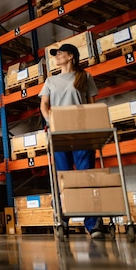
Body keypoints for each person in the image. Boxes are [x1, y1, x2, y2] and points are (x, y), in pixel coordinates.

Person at [39, 43, 104, 240]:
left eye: (60, 53)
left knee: (86, 177)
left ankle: (92, 224)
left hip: (82, 133)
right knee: (62, 179)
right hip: (59, 133)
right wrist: (52, 121)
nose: (56, 56)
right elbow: (44, 105)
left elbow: (91, 104)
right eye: (55, 54)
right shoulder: (50, 81)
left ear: (71, 56)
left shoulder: (84, 77)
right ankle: (62, 221)